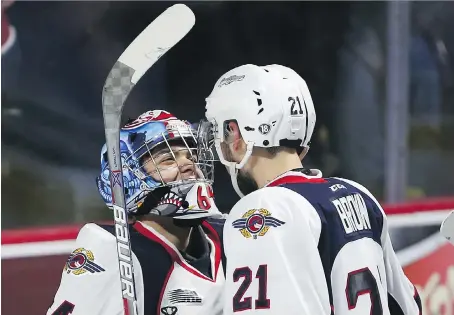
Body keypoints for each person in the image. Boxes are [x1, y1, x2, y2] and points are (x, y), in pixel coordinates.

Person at [197, 64, 422, 315]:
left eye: (222, 129)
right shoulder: (359, 195)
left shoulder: (262, 211)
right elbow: (409, 304)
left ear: (236, 132)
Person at [47, 110, 226, 315]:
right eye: (168, 160)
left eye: (191, 156)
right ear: (127, 180)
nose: (189, 165)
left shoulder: (231, 234)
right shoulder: (115, 251)